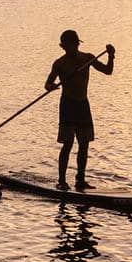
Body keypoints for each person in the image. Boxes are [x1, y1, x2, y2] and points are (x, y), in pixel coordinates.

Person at [45, 30, 115, 191]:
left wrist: (111, 56)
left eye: (76, 44)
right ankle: (61, 181)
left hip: (83, 105)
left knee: (84, 144)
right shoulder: (59, 63)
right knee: (68, 144)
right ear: (63, 46)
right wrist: (51, 87)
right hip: (68, 105)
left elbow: (108, 71)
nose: (74, 47)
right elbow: (47, 84)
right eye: (70, 45)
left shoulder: (88, 58)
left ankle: (80, 180)